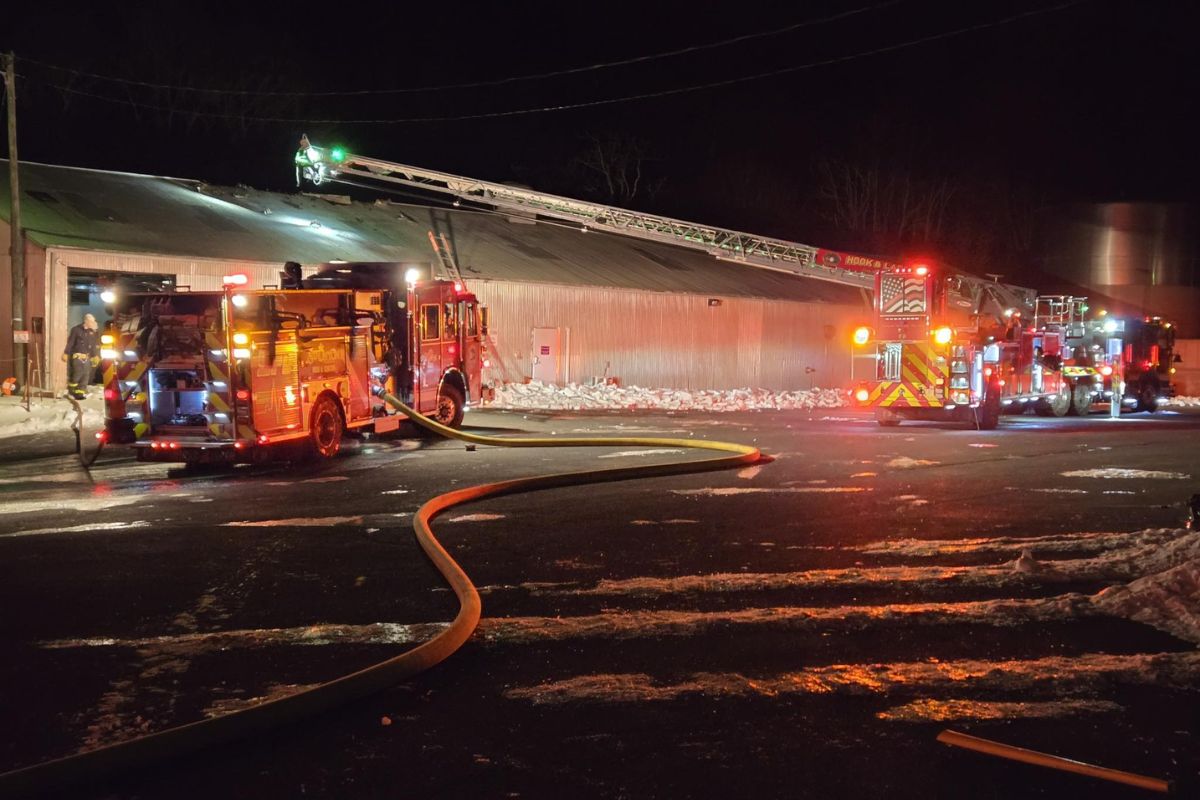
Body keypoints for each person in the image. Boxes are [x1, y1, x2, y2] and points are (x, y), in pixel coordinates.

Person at [63, 313, 100, 399]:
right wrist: (66, 353)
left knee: (86, 375)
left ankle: (80, 393)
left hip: (87, 357)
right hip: (77, 356)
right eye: (91, 322)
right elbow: (71, 342)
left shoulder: (92, 332)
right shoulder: (76, 330)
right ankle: (72, 390)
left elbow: (94, 345)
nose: (93, 323)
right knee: (78, 374)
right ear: (86, 321)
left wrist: (95, 356)